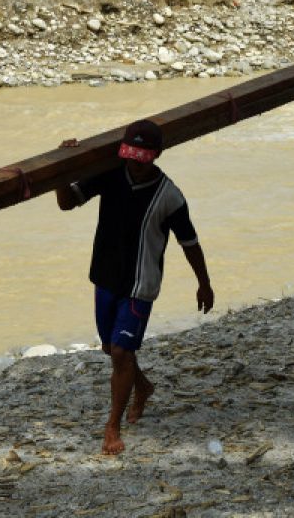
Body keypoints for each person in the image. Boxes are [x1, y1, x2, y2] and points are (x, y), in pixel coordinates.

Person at [56, 120, 214, 455]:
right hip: (104, 276)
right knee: (112, 349)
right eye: (130, 156)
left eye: (142, 157)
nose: (135, 163)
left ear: (156, 156)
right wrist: (62, 167)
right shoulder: (111, 173)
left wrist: (204, 284)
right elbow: (68, 202)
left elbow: (190, 242)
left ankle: (111, 428)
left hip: (140, 284)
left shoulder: (169, 195)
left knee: (121, 352)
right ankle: (142, 388)